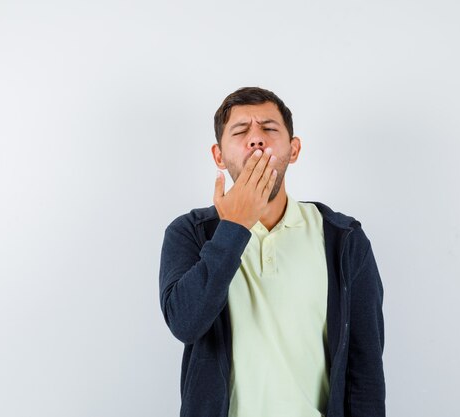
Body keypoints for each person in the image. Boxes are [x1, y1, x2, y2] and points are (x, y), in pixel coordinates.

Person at [159, 87, 385, 417]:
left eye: (269, 128)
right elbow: (185, 323)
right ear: (218, 155)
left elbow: (364, 370)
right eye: (240, 131)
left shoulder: (344, 240)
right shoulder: (189, 233)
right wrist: (234, 227)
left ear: (293, 149)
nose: (256, 139)